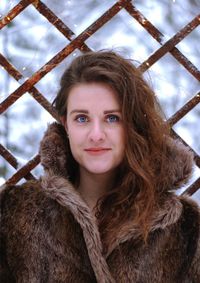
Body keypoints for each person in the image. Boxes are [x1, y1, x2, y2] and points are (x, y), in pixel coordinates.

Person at [0, 50, 199, 283]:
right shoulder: (15, 213)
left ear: (133, 125)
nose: (96, 135)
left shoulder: (185, 229)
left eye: (112, 118)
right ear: (66, 124)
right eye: (82, 118)